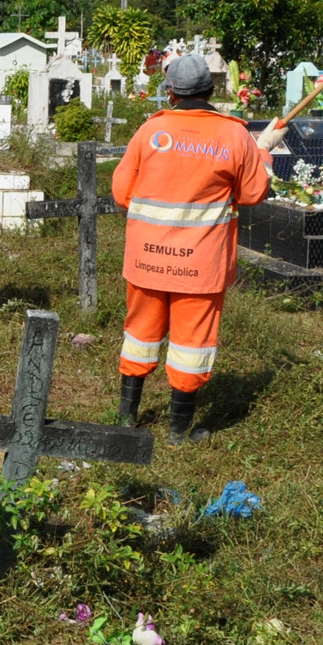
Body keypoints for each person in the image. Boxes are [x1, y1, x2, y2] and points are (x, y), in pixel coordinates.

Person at [110, 55, 274, 443]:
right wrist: (262, 158)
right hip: (200, 265)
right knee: (191, 345)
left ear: (170, 92)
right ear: (211, 89)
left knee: (140, 335)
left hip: (148, 258)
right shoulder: (235, 135)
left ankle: (124, 419)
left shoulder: (151, 131)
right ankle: (177, 432)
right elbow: (253, 193)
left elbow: (121, 192)